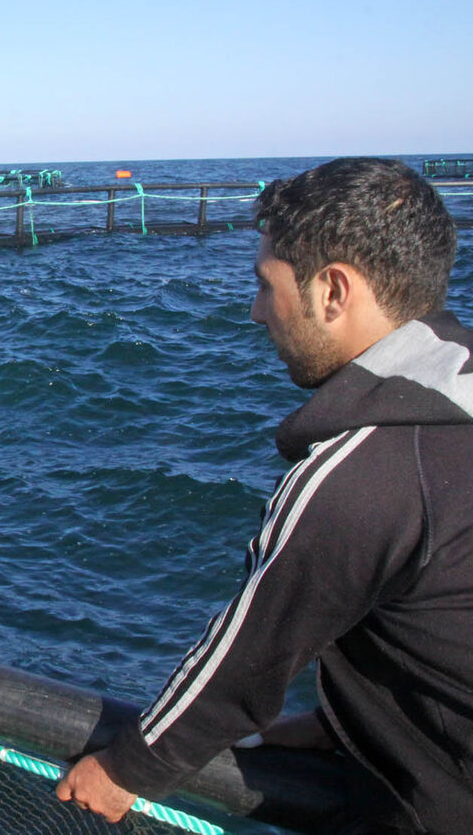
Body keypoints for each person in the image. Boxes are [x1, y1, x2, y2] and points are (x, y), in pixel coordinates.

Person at [55, 157, 470, 831]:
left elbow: (245, 662)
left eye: (265, 284)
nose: (255, 312)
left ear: (333, 291)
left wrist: (128, 767)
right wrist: (346, 725)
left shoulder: (359, 471)